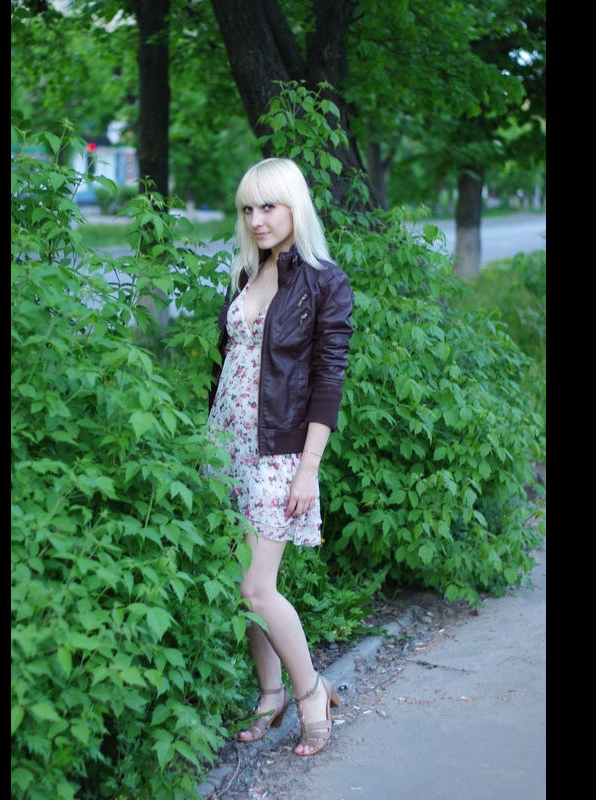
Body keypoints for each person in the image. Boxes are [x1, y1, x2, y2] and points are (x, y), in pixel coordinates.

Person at [206, 157, 355, 756]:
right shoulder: (246, 272)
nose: (256, 219)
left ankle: (311, 691)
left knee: (257, 586)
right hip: (227, 445)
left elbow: (328, 379)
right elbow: (225, 364)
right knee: (242, 583)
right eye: (248, 208)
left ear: (296, 206)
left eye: (268, 206)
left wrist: (308, 468)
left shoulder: (324, 282)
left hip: (280, 450)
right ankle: (270, 694)